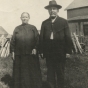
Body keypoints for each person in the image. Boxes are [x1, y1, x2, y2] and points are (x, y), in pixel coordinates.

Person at [39, 0, 73, 88]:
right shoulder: (44, 23)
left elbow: (68, 37)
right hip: (49, 53)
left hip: (60, 52)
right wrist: (41, 50)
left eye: (54, 9)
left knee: (60, 72)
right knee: (50, 72)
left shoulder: (63, 22)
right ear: (48, 11)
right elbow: (41, 38)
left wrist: (68, 51)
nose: (52, 11)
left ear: (57, 10)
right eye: (50, 9)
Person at [10, 12, 42, 88]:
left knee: (31, 71)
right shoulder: (17, 28)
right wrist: (13, 51)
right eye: (23, 17)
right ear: (20, 18)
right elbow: (13, 41)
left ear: (29, 18)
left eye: (26, 17)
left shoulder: (33, 28)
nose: (24, 18)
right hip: (19, 55)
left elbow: (38, 39)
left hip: (31, 54)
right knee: (19, 71)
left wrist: (35, 48)